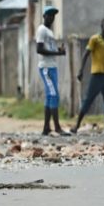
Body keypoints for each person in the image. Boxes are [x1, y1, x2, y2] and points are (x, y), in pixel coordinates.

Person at [71, 18, 104, 134]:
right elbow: (86, 54)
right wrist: (81, 70)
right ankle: (76, 126)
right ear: (102, 26)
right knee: (88, 100)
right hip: (97, 75)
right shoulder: (95, 39)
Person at [36, 7, 70, 136]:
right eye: (49, 15)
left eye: (53, 16)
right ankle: (57, 128)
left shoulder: (49, 31)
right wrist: (57, 53)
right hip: (46, 67)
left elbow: (48, 48)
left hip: (51, 66)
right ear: (44, 16)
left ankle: (46, 128)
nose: (51, 18)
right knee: (54, 95)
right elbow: (39, 49)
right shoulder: (42, 30)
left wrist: (58, 51)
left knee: (50, 96)